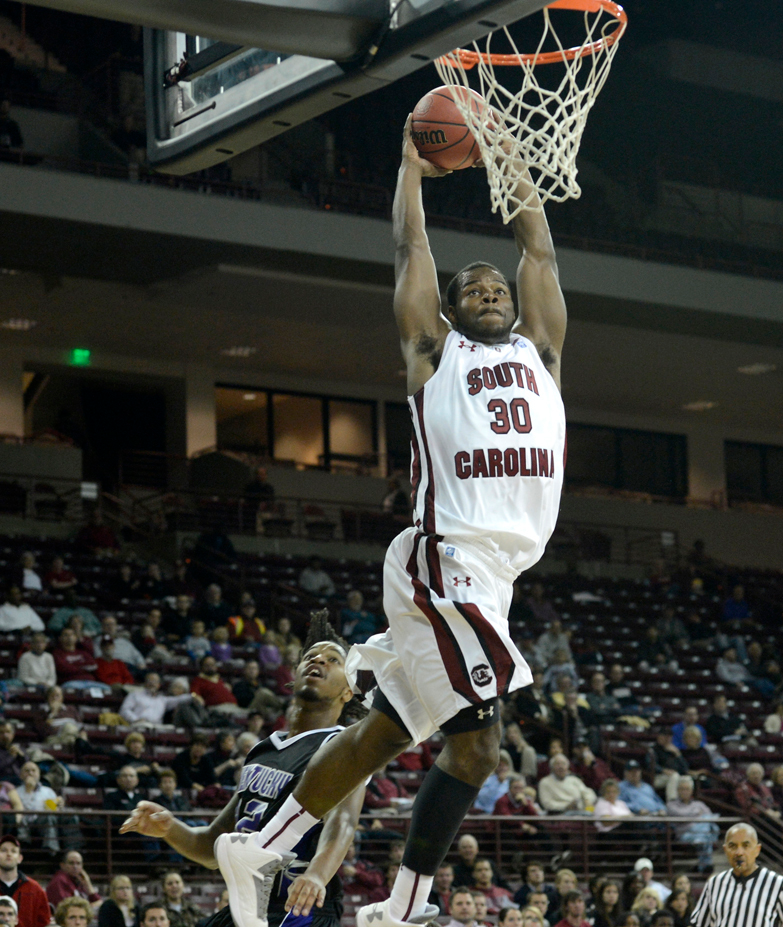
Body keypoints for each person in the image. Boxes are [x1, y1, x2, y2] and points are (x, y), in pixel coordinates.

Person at [213, 121, 568, 927]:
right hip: (446, 562)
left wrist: (512, 167)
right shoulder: (434, 354)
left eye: (496, 287)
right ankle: (402, 903)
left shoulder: (542, 352)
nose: (488, 289)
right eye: (471, 286)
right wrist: (410, 170)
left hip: (496, 577)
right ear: (446, 308)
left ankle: (262, 842)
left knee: (387, 733)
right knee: (480, 744)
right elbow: (412, 253)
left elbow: (539, 254)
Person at [121, 611, 369, 927]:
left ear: (348, 692)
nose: (318, 660)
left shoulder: (343, 745)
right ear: (293, 677)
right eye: (310, 656)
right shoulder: (262, 749)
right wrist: (170, 828)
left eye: (332, 659)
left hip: (300, 908)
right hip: (247, 908)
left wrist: (318, 875)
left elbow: (344, 820)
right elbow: (213, 845)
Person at [690, 824, 783, 927]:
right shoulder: (714, 883)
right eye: (733, 846)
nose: (739, 852)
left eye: (746, 846)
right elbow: (697, 924)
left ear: (757, 849)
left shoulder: (778, 884)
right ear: (725, 850)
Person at [665, 776, 719, 874]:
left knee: (707, 821)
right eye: (682, 789)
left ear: (691, 791)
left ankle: (703, 867)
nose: (684, 791)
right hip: (685, 835)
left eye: (687, 789)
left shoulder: (699, 804)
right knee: (706, 824)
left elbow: (712, 816)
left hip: (700, 834)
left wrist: (698, 817)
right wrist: (697, 815)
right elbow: (681, 816)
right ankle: (705, 866)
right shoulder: (671, 805)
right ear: (677, 790)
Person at [0, 835, 48, 927]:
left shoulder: (35, 889)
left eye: (13, 851)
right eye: (3, 850)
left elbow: (44, 922)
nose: (8, 854)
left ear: (20, 858)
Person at [121, 672, 198, 727]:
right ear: (145, 683)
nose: (152, 683)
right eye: (149, 681)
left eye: (155, 681)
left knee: (171, 729)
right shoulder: (135, 695)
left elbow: (178, 699)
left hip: (156, 727)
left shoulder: (163, 699)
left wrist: (193, 696)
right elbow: (124, 710)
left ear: (159, 685)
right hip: (138, 725)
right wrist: (136, 719)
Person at [15, 762, 59, 853]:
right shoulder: (15, 792)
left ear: (39, 774)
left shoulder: (48, 791)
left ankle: (50, 850)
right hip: (23, 824)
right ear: (21, 775)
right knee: (20, 818)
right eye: (26, 771)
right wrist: (28, 789)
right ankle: (23, 848)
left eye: (33, 770)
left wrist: (58, 805)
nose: (30, 773)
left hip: (42, 824)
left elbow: (54, 811)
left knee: (49, 817)